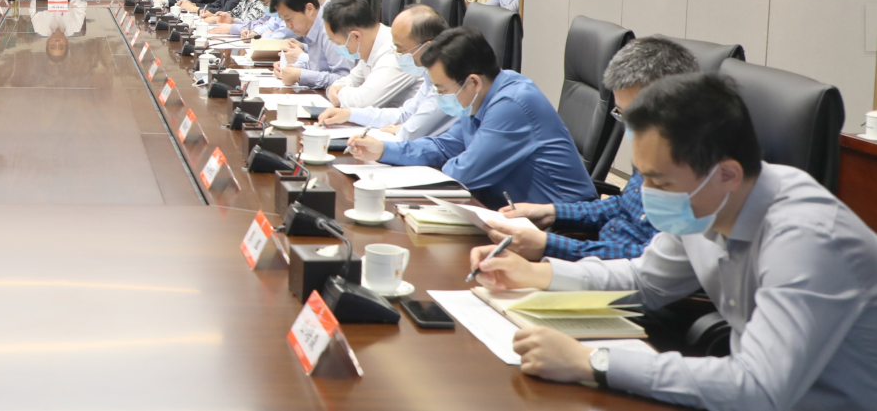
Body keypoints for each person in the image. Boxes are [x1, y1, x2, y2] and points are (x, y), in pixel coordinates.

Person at [474, 73, 877, 410]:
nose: (647, 195)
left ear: (728, 175)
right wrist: (537, 274)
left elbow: (757, 387)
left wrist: (594, 361)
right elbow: (645, 281)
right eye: (642, 176)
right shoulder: (708, 202)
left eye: (660, 182)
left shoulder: (807, 240)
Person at [491, 37, 699, 262]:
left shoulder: (698, 172)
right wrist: (551, 212)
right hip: (598, 260)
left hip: (616, 272)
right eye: (622, 113)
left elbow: (652, 263)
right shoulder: (652, 146)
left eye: (636, 115)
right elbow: (626, 204)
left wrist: (550, 246)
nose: (630, 127)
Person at [348, 27, 595, 208]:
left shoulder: (511, 104)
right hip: (505, 211)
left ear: (473, 82)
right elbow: (444, 147)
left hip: (560, 224)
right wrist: (384, 150)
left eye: (441, 90)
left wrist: (437, 165)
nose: (439, 96)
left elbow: (464, 172)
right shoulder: (479, 97)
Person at [317, 5, 454, 141]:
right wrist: (349, 114)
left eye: (401, 49)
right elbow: (404, 114)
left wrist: (401, 129)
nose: (396, 54)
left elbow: (411, 132)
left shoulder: (449, 81)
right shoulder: (429, 75)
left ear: (427, 47)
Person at [314, 0, 420, 111]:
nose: (338, 48)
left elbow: (363, 102)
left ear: (356, 36)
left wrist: (339, 94)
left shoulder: (396, 52)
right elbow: (352, 79)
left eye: (338, 43)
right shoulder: (369, 47)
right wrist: (334, 88)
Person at [269, 0, 351, 91]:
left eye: (289, 19)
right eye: (284, 20)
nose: (288, 26)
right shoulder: (311, 27)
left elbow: (344, 79)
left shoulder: (331, 29)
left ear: (309, 9)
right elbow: (318, 66)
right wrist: (292, 68)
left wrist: (300, 75)